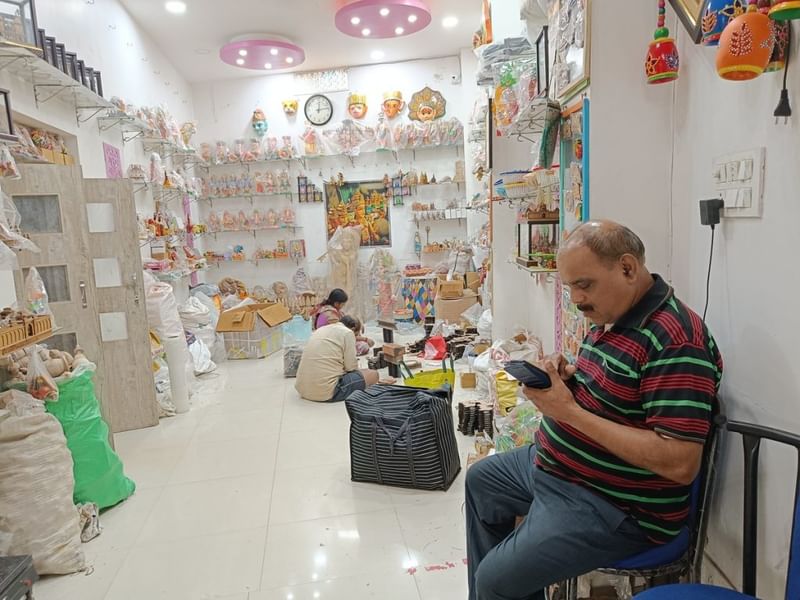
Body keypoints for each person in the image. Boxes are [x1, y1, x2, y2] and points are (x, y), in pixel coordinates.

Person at [466, 220, 723, 600]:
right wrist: (566, 379)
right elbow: (616, 398)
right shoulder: (613, 317)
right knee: (482, 482)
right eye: (569, 287)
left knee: (494, 582)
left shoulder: (676, 340)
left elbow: (681, 462)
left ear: (627, 268)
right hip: (560, 470)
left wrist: (568, 411)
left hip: (613, 504)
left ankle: (504, 585)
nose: (576, 299)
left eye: (584, 285)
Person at [295, 315, 380, 402]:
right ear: (353, 329)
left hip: (303, 389)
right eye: (356, 335)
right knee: (373, 375)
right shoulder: (348, 333)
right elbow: (351, 367)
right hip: (326, 392)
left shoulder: (321, 330)